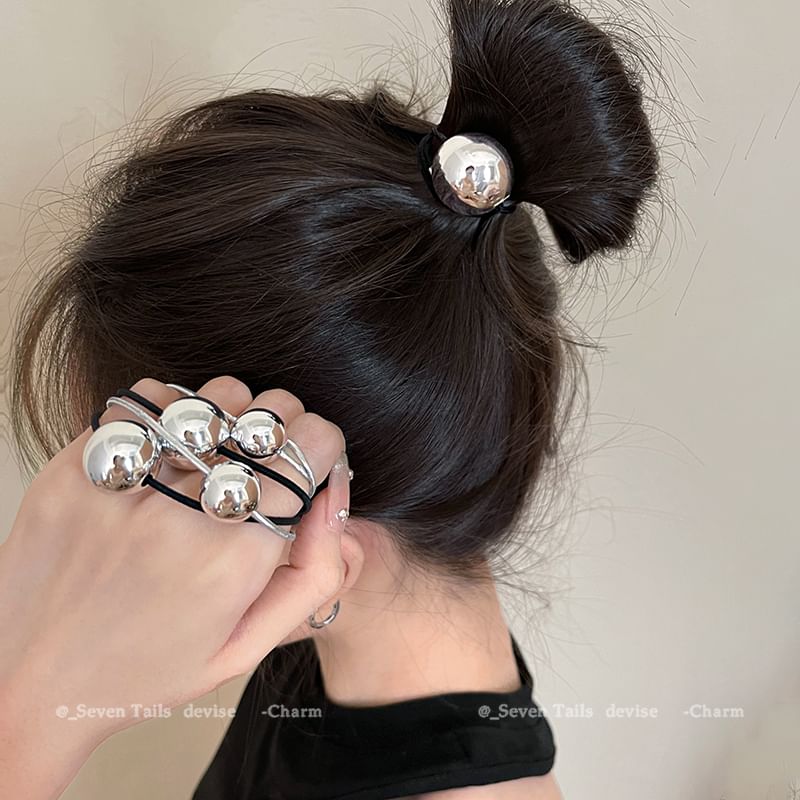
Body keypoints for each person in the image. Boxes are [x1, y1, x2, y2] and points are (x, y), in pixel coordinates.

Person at [1, 0, 660, 797]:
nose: (110, 540)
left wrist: (37, 708)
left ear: (313, 521)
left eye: (136, 470)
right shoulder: (333, 659)